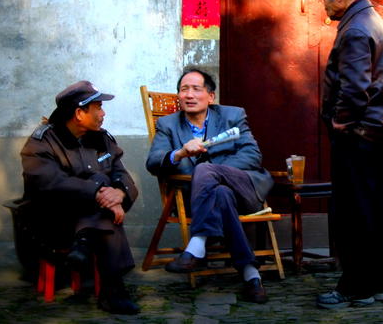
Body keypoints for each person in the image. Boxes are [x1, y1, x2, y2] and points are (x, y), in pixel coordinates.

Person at [145, 68, 273, 304]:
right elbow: (153, 162)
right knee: (220, 193)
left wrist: (215, 170)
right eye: (184, 89)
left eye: (196, 89)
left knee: (207, 171)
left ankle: (196, 245)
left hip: (244, 190)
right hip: (200, 199)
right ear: (179, 96)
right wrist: (181, 152)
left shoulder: (232, 116)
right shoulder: (168, 125)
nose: (189, 95)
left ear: (210, 96)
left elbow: (253, 155)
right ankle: (251, 275)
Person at [314, 0, 383, 309]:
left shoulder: (355, 30)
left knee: (352, 215)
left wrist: (338, 125)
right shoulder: (373, 21)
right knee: (371, 212)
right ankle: (376, 285)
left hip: (357, 138)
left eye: (325, 0)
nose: (324, 8)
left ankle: (354, 288)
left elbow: (355, 91)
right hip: (374, 135)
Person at [20, 81, 140, 315]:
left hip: (91, 219)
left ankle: (84, 243)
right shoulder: (41, 142)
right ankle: (113, 290)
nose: (103, 113)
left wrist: (119, 194)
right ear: (79, 113)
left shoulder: (102, 139)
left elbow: (123, 176)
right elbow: (49, 184)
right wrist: (99, 191)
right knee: (101, 191)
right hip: (53, 223)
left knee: (105, 195)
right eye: (98, 107)